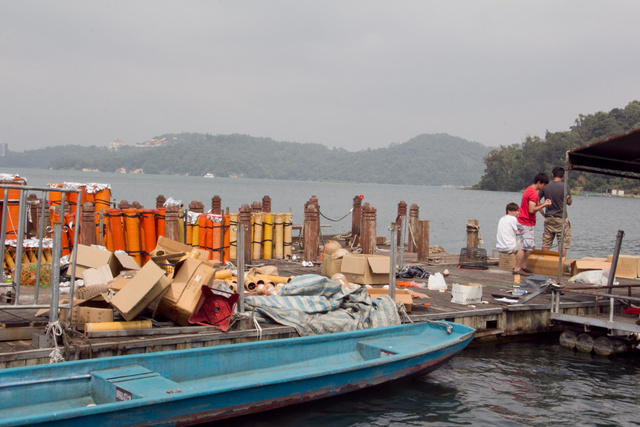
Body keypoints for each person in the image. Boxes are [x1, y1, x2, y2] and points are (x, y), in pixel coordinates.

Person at [514, 173, 552, 276]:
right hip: (526, 222)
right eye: (543, 185)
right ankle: (517, 268)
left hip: (526, 222)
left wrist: (542, 207)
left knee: (530, 246)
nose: (543, 188)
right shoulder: (533, 193)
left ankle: (523, 266)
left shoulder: (529, 190)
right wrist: (544, 204)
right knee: (524, 246)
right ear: (539, 182)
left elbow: (534, 206)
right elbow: (531, 209)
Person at [540, 166, 572, 257]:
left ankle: (545, 263)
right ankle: (560, 265)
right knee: (562, 243)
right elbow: (569, 202)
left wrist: (543, 213)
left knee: (546, 242)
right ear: (563, 176)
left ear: (552, 174)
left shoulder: (546, 186)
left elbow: (537, 200)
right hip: (560, 218)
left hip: (548, 217)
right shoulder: (565, 186)